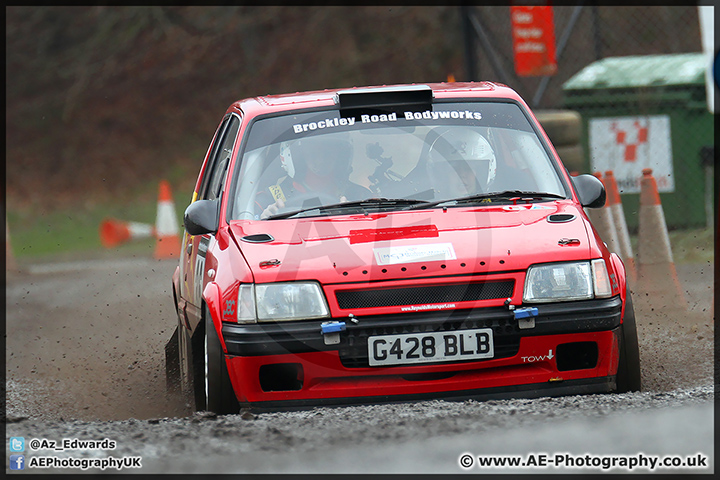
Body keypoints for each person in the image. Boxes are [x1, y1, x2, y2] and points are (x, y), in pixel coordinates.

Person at [259, 135, 372, 218]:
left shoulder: (359, 196)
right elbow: (246, 229)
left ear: (340, 156)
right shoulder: (269, 198)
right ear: (299, 156)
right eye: (313, 153)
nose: (320, 161)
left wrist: (358, 215)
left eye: (327, 153)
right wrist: (264, 218)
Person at [427, 128, 497, 197]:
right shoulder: (424, 205)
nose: (462, 175)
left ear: (480, 174)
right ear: (442, 175)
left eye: (468, 169)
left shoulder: (497, 202)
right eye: (455, 169)